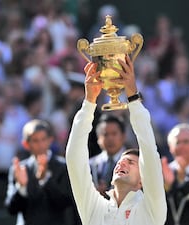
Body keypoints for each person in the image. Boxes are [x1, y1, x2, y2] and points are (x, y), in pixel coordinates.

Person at [66, 55, 167, 225]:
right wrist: (89, 102)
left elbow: (149, 153)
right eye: (121, 161)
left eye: (131, 162)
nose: (122, 164)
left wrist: (133, 99)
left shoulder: (151, 209)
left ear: (142, 180)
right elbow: (74, 159)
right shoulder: (94, 207)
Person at [4, 119, 76, 225]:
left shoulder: (63, 167)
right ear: (26, 144)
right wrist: (22, 187)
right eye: (35, 141)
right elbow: (11, 209)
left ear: (50, 140)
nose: (40, 145)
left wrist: (46, 179)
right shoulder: (20, 169)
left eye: (43, 139)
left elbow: (66, 202)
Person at [89, 113, 127, 194]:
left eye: (114, 134)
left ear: (123, 136)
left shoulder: (133, 163)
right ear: (98, 138)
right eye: (105, 134)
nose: (110, 139)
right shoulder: (90, 165)